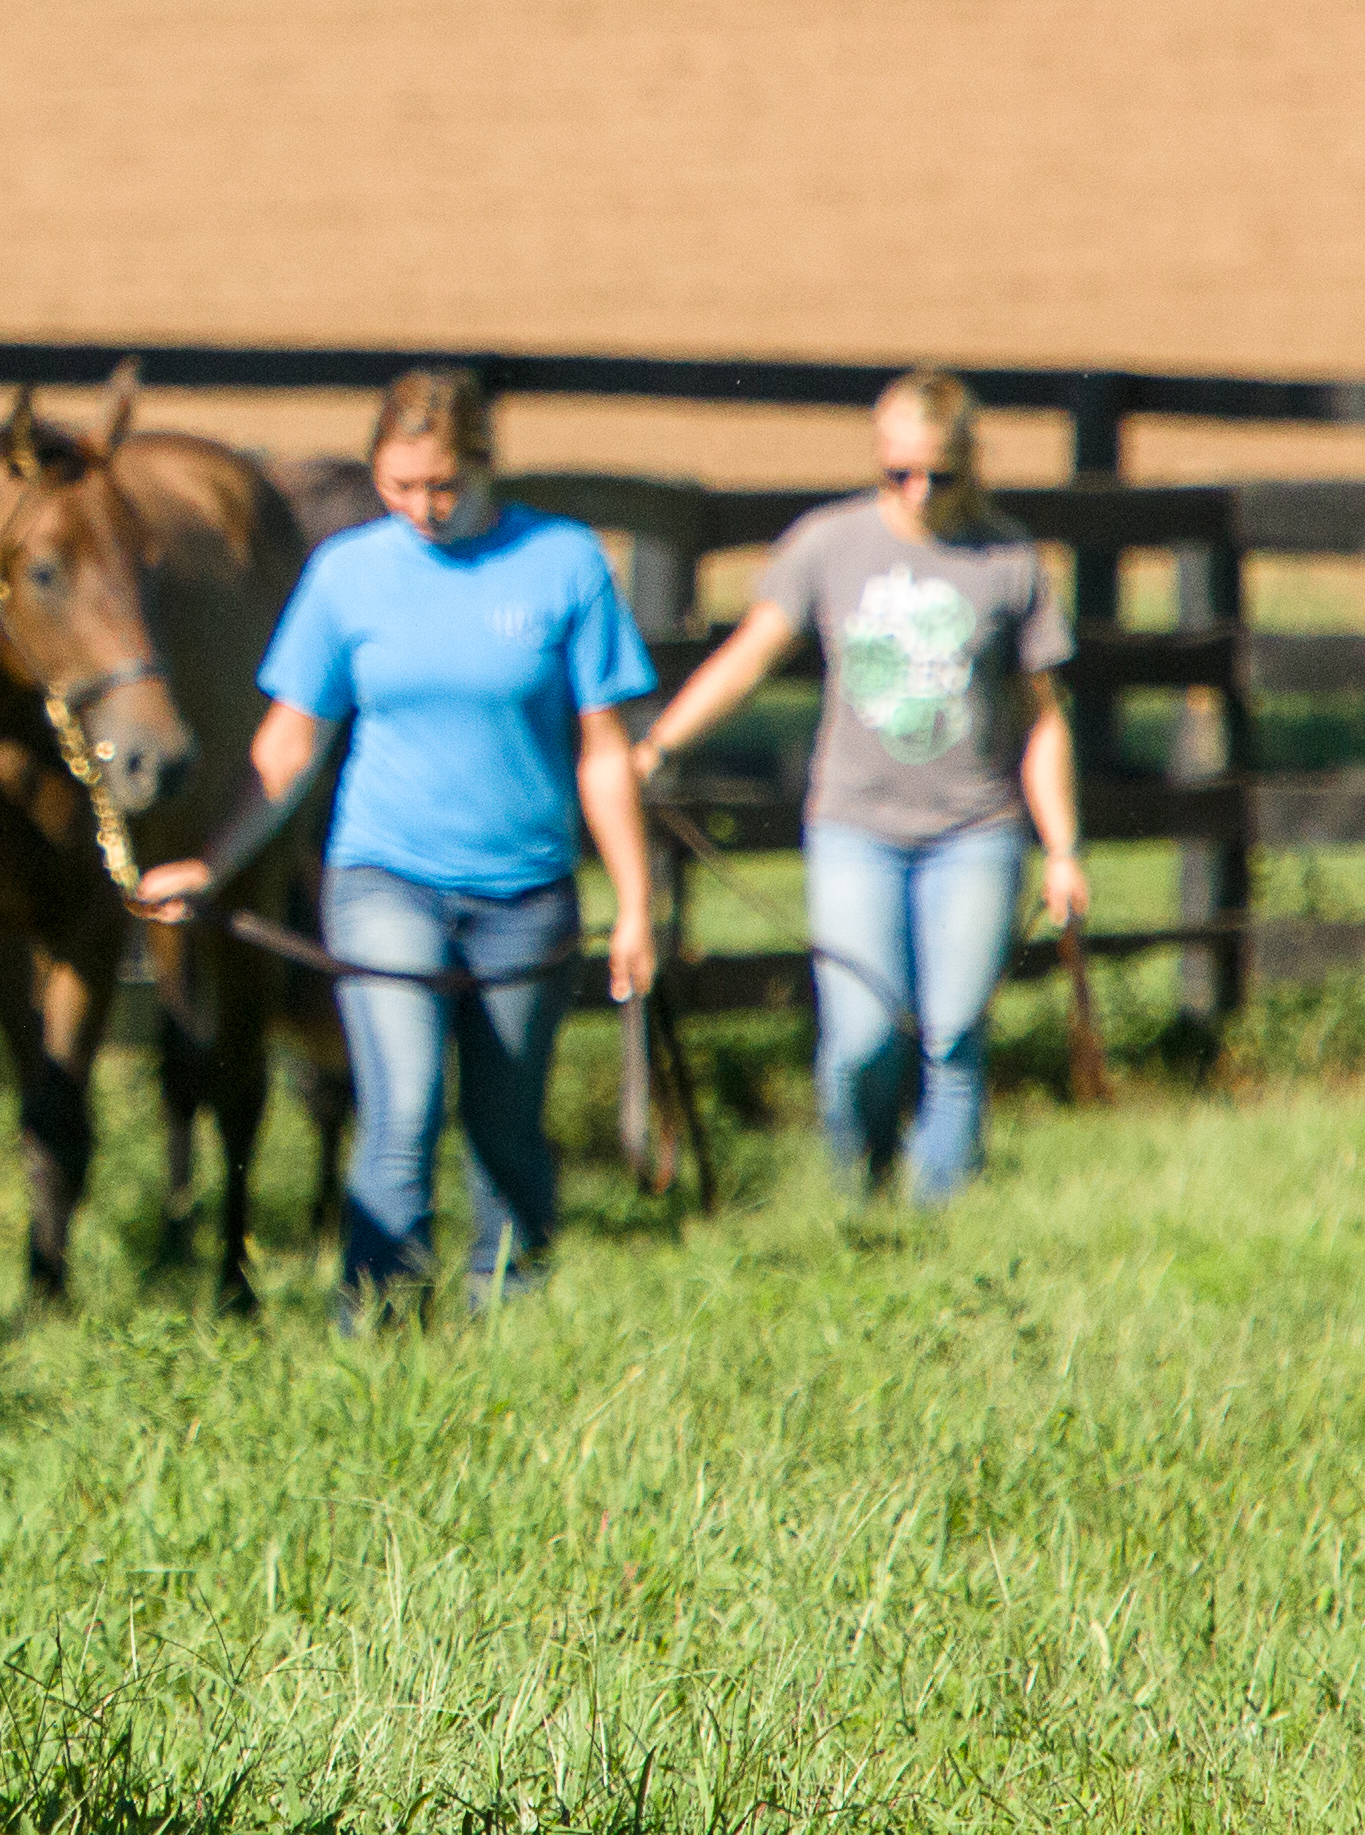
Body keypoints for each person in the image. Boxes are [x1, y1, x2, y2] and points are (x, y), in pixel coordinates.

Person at [137, 365, 652, 1321]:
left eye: (444, 486)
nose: (422, 508)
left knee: (505, 1126)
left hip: (528, 891)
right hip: (386, 878)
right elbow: (289, 744)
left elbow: (604, 752)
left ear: (488, 467)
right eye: (399, 486)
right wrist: (214, 861)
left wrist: (633, 905)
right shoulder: (349, 575)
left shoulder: (565, 563)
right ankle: (371, 1328)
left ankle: (511, 1321)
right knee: (402, 1108)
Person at [632, 368, 1088, 1206]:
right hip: (855, 828)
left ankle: (937, 1217)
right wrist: (659, 743)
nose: (918, 493)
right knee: (860, 1037)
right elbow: (750, 656)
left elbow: (1043, 721)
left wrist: (1062, 848)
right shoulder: (828, 545)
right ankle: (859, 1191)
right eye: (898, 473)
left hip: (975, 830)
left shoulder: (1009, 561)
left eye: (939, 475)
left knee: (953, 1035)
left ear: (971, 463)